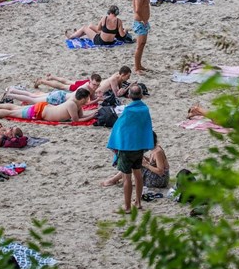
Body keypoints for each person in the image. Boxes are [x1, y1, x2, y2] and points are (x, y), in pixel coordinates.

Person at [106, 84, 154, 213]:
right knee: (137, 173)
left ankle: (127, 207)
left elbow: (119, 128)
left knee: (127, 177)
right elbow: (147, 126)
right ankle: (138, 202)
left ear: (129, 96)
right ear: (142, 95)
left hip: (127, 147)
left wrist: (116, 144)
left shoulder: (127, 111)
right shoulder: (145, 109)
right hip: (139, 146)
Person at [0, 88, 96, 122]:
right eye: (87, 99)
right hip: (39, 112)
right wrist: (92, 116)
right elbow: (76, 120)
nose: (87, 101)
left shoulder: (77, 104)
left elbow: (81, 116)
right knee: (12, 112)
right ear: (82, 99)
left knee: (16, 108)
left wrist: (93, 114)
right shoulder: (71, 104)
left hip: (44, 108)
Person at [101, 130, 169, 189]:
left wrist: (146, 165)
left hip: (159, 180)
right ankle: (116, 178)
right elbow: (154, 163)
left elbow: (161, 171)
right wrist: (145, 159)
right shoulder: (155, 149)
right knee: (134, 159)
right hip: (159, 177)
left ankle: (113, 180)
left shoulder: (157, 152)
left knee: (132, 162)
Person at [132, 0, 151, 74]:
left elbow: (134, 6)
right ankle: (136, 68)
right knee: (139, 45)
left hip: (142, 22)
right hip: (141, 23)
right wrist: (144, 20)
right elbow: (138, 9)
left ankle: (139, 65)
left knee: (142, 44)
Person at [34, 73, 102, 93]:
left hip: (84, 82)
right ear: (90, 81)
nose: (95, 87)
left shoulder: (91, 83)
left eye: (97, 85)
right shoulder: (86, 87)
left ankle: (52, 77)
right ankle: (42, 81)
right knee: (62, 86)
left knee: (67, 81)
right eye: (94, 84)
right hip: (79, 87)